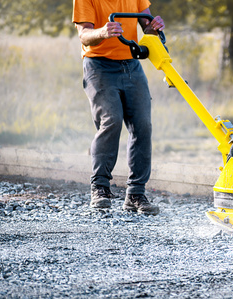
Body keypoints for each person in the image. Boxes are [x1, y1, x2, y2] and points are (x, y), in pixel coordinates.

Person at [72, 0, 164, 215]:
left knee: (143, 125)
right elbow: (84, 35)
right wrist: (102, 32)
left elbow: (146, 24)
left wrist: (154, 27)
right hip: (99, 65)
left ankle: (135, 194)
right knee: (111, 120)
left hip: (131, 64)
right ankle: (100, 188)